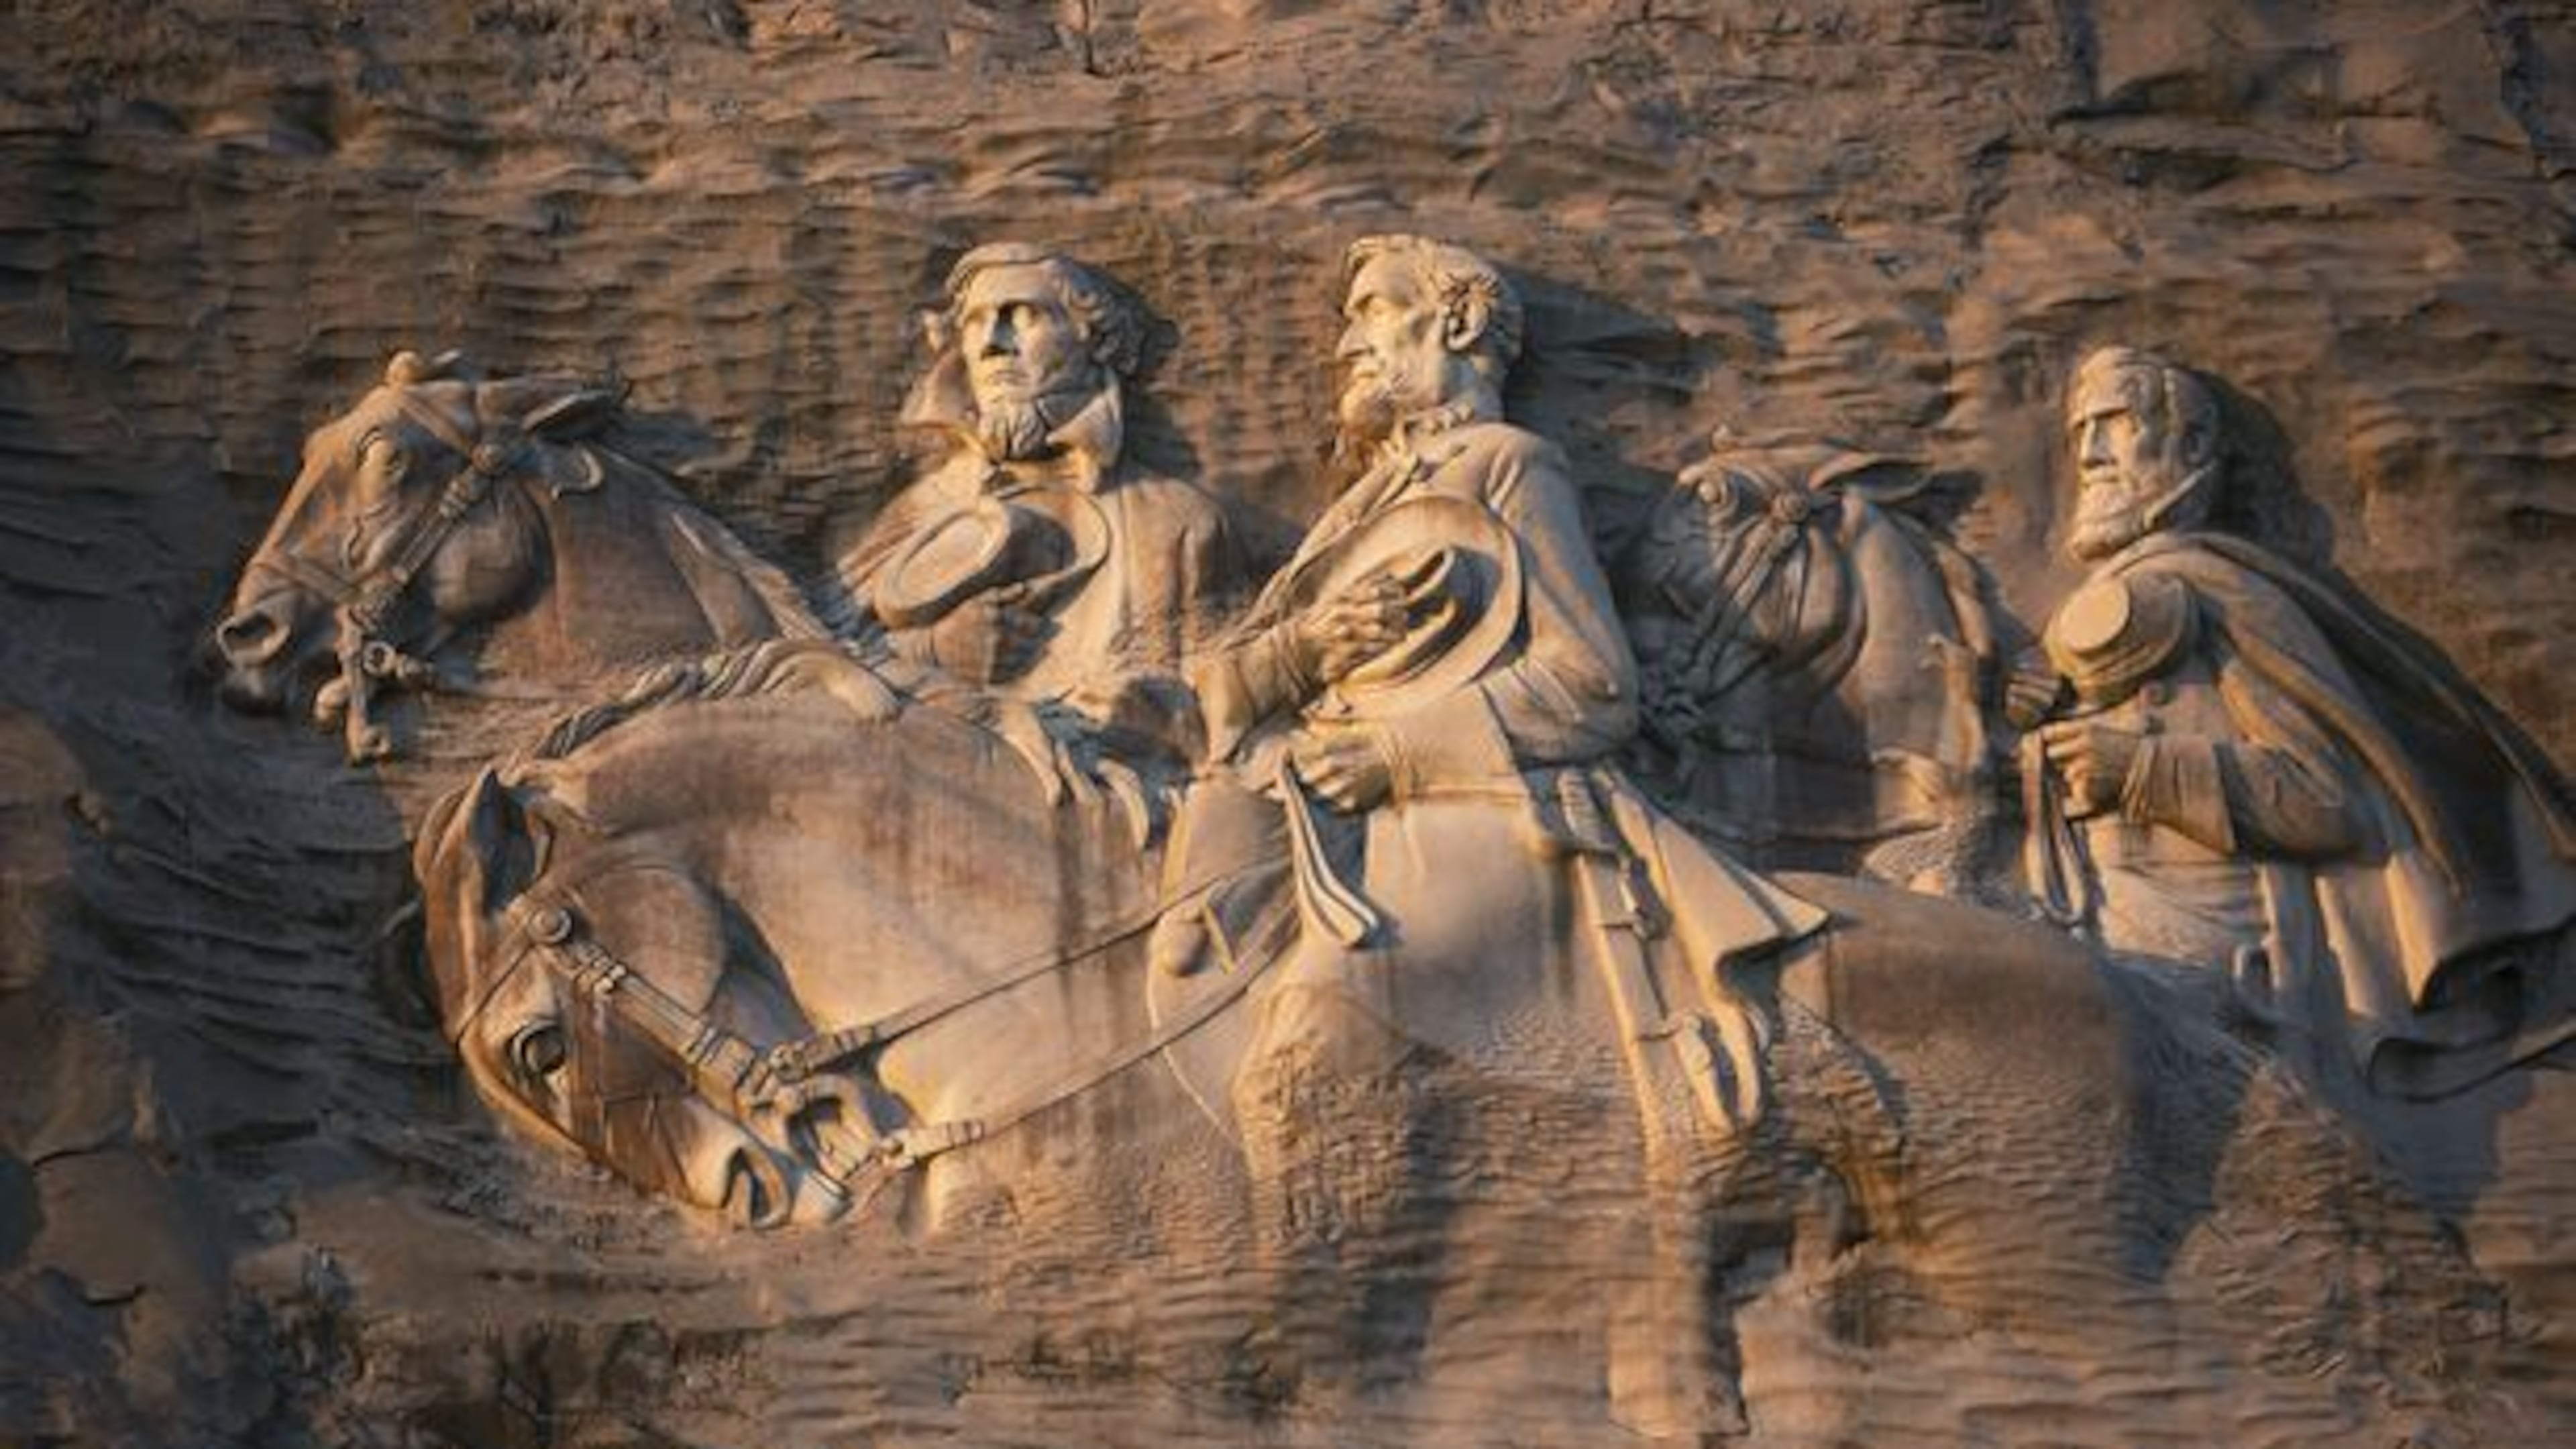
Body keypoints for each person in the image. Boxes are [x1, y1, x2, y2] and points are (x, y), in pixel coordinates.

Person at [1165, 234, 1821, 1129]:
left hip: (1474, 813)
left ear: (1460, 320)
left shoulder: (1510, 465)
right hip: (1317, 816)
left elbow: (1592, 683)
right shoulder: (1358, 507)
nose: (1345, 344)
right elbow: (1229, 690)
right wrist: (1304, 648)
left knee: (1304, 1064)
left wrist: (1399, 754)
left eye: (1374, 311)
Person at [2021, 345, 2576, 1092]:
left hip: (2212, 953)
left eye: (2114, 423)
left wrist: (2144, 770)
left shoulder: (2226, 597)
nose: (2087, 454)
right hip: (2087, 909)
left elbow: (2326, 804)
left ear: (2190, 447)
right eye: (2080, 431)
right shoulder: (2122, 607)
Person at [835, 244, 1239, 708]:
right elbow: (817, 662)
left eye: (1023, 316)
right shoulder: (925, 507)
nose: (993, 343)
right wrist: (933, 648)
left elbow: (1221, 710)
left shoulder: (1177, 523)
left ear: (1096, 339)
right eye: (975, 323)